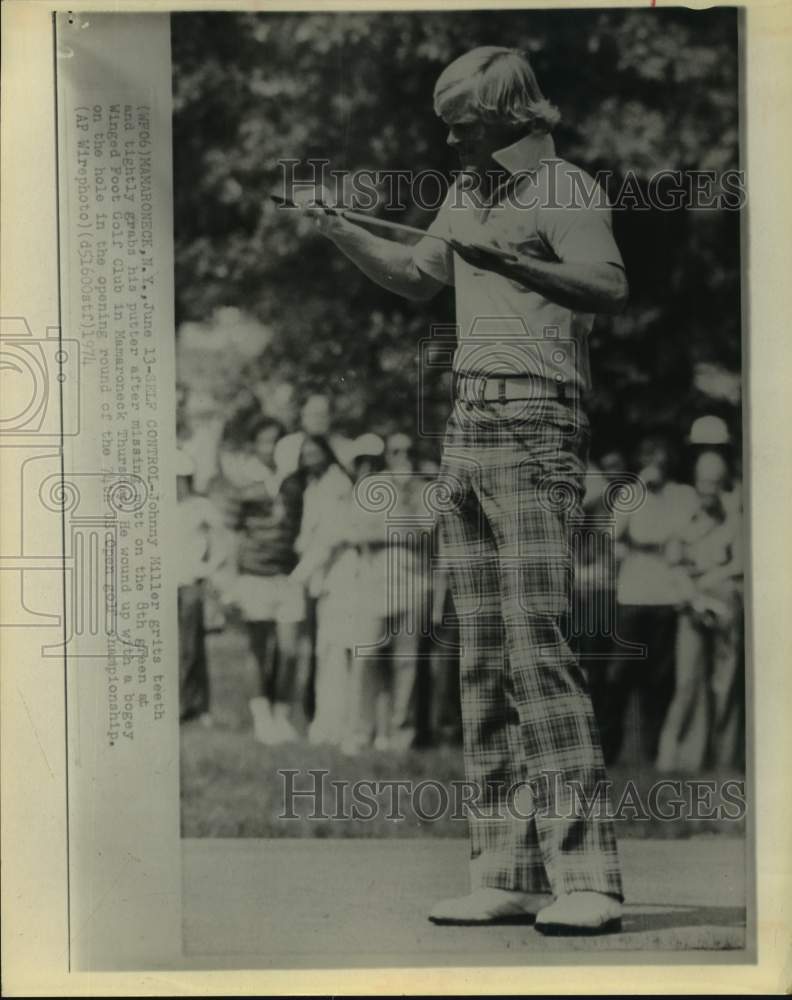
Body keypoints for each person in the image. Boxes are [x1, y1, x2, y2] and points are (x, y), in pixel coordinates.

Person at [298, 46, 628, 933]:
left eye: (465, 122)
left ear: (517, 113)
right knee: (480, 654)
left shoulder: (565, 191)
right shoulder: (470, 194)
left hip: (538, 423)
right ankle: (504, 869)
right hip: (469, 425)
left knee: (538, 648)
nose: (451, 136)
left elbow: (606, 286)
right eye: (448, 122)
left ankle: (587, 878)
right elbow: (416, 277)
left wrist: (516, 265)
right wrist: (341, 229)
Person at [607, 435, 699, 767]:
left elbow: (686, 535)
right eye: (649, 455)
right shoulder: (630, 493)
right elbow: (613, 533)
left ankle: (651, 751)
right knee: (619, 675)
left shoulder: (684, 495)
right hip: (633, 594)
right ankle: (609, 750)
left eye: (661, 455)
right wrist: (639, 489)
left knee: (659, 680)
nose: (656, 461)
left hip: (667, 594)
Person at [656, 451, 744, 772]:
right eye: (705, 481)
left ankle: (724, 759)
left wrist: (710, 580)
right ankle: (677, 760)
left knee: (725, 684)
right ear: (696, 482)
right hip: (691, 606)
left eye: (717, 483)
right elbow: (673, 564)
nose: (710, 489)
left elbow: (739, 564)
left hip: (725, 606)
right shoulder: (683, 519)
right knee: (687, 682)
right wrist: (694, 598)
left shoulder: (735, 520)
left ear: (724, 485)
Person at [222, 415, 306, 744]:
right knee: (258, 648)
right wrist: (231, 581)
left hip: (287, 575)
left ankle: (282, 715)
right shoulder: (243, 479)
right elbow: (232, 532)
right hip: (254, 574)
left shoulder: (294, 481)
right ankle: (262, 717)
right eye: (264, 441)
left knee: (288, 649)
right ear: (255, 445)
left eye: (275, 441)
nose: (269, 448)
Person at [176, 449, 232, 725]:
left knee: (191, 646)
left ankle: (196, 706)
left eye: (180, 478)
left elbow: (224, 537)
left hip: (190, 583)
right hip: (163, 584)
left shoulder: (200, 506)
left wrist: (210, 568)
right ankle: (180, 704)